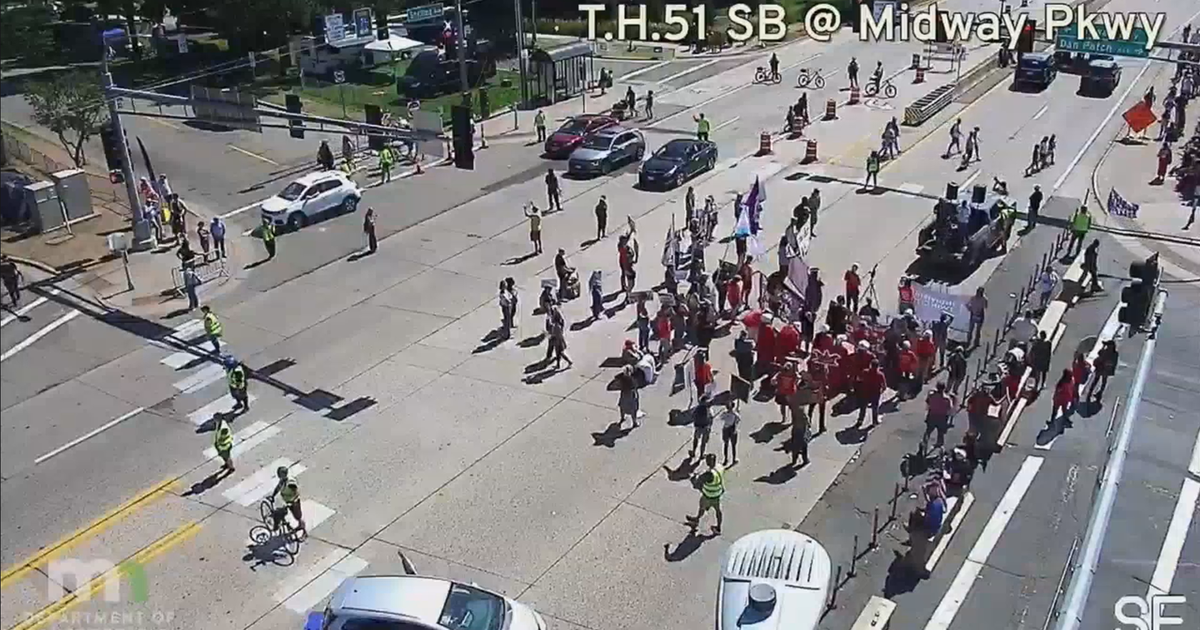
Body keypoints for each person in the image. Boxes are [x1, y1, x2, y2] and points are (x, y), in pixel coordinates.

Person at [689, 454, 724, 534]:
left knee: (702, 507)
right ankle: (718, 528)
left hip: (708, 495)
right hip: (717, 495)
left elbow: (697, 482)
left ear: (707, 462)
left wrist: (693, 478)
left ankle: (696, 521)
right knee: (718, 511)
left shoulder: (709, 474)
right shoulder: (719, 467)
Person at [271, 466, 306, 535]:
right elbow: (278, 487)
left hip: (293, 502)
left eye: (280, 474)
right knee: (279, 513)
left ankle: (303, 530)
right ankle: (280, 524)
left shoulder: (290, 483)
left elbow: (295, 492)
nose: (278, 475)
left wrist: (293, 501)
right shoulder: (283, 480)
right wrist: (273, 496)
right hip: (286, 501)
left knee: (297, 516)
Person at [923, 382, 955, 450]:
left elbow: (927, 404)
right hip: (942, 417)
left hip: (932, 415)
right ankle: (939, 445)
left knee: (928, 431)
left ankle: (924, 443)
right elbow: (950, 410)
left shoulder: (931, 396)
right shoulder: (947, 399)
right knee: (940, 432)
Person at [690, 391, 713, 461]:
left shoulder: (697, 408)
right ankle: (701, 455)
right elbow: (711, 418)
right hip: (706, 427)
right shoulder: (708, 409)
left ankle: (693, 452)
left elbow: (692, 415)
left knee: (696, 439)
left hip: (698, 427)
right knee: (703, 442)